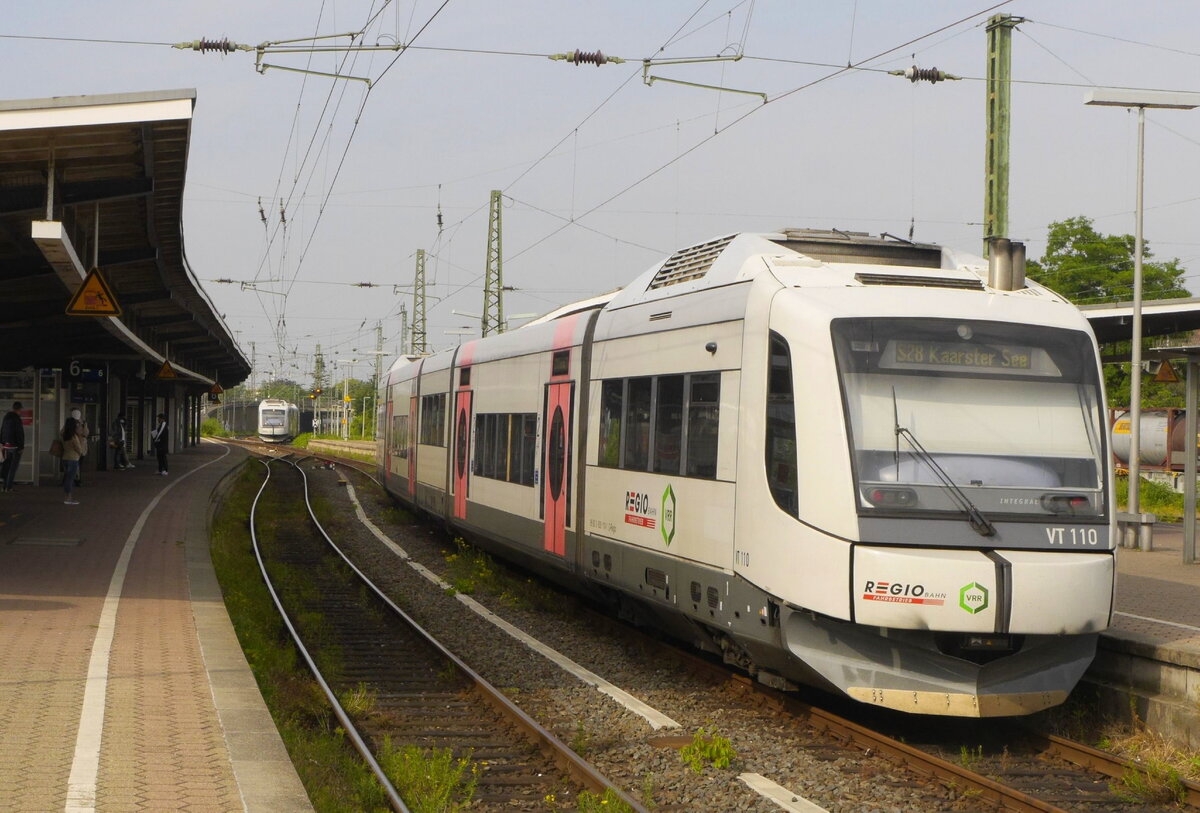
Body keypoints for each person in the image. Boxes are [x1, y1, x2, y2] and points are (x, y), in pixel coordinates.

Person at [61, 417, 86, 505]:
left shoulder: (64, 434)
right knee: (70, 479)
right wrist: (82, 453)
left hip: (65, 458)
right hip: (73, 459)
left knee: (68, 478)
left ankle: (68, 497)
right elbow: (78, 448)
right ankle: (68, 498)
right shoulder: (73, 436)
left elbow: (63, 430)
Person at [0, 401, 24, 492]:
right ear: (19, 409)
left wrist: (1, 443)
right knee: (12, 468)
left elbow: (2, 430)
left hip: (6, 446)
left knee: (6, 466)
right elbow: (19, 433)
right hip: (15, 447)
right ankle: (9, 487)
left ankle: (4, 486)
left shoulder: (6, 417)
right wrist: (21, 446)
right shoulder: (17, 419)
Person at [70, 408, 88, 486]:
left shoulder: (80, 424)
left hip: (75, 447)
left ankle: (76, 479)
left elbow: (85, 433)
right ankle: (77, 479)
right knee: (77, 464)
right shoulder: (83, 424)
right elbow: (86, 434)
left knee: (75, 464)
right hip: (79, 447)